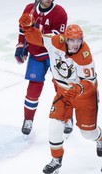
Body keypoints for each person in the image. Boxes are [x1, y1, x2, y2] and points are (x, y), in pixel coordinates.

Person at [19, 13, 102, 173]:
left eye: (79, 40)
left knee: (88, 134)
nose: (76, 44)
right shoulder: (56, 41)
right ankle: (56, 159)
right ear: (66, 39)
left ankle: (100, 137)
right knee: (55, 125)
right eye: (72, 40)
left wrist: (79, 89)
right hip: (64, 93)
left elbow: (91, 83)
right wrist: (28, 28)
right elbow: (37, 39)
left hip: (85, 97)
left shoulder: (85, 56)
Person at [14, 0, 73, 135]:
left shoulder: (59, 13)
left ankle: (68, 117)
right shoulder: (29, 9)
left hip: (55, 55)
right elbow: (22, 32)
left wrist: (31, 30)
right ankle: (28, 119)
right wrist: (20, 46)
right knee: (33, 90)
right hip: (36, 55)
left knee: (62, 88)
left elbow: (53, 40)